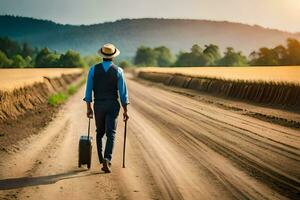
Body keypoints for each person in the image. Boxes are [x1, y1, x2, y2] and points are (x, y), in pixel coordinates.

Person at [83, 43, 129, 173]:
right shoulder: (119, 71)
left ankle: (101, 158)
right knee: (111, 133)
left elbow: (88, 91)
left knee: (99, 132)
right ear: (113, 57)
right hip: (113, 104)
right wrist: (126, 111)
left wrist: (89, 108)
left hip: (99, 104)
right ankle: (107, 160)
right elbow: (123, 93)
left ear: (102, 56)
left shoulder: (93, 70)